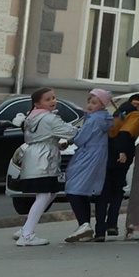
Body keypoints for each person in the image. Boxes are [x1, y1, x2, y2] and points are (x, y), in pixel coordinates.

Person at [9, 88, 74, 245]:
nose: (53, 101)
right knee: (45, 195)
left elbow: (43, 136)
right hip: (44, 160)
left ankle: (26, 229)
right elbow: (71, 131)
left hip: (33, 157)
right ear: (37, 104)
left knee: (50, 193)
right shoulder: (49, 118)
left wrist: (57, 143)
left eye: (54, 98)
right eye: (48, 99)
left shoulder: (31, 117)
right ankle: (27, 235)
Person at [61, 89, 114, 241]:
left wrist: (71, 138)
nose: (90, 105)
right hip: (98, 156)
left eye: (94, 102)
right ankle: (85, 228)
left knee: (73, 189)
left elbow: (81, 139)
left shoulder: (93, 119)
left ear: (102, 105)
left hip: (87, 156)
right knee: (81, 190)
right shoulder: (104, 118)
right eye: (89, 101)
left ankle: (84, 225)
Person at [97, 93, 139, 241]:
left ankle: (99, 230)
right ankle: (112, 224)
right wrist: (122, 151)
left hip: (105, 153)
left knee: (103, 192)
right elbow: (126, 133)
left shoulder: (118, 112)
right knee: (117, 191)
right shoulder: (135, 115)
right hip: (121, 157)